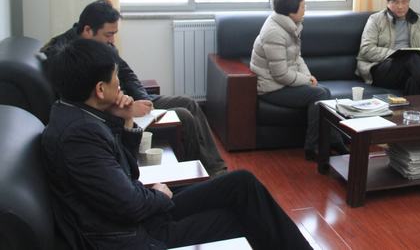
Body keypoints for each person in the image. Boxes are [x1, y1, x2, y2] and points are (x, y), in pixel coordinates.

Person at [41, 38, 312, 249]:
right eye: (116, 78)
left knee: (242, 183)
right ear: (100, 90)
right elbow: (129, 204)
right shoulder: (80, 136)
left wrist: (125, 120)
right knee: (246, 216)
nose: (121, 85)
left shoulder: (77, 113)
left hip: (138, 218)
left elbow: (125, 172)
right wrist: (159, 195)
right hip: (134, 235)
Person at [41, 0, 227, 176]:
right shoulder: (64, 56)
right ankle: (196, 177)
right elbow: (85, 103)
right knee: (184, 116)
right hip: (115, 111)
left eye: (114, 34)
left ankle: (216, 169)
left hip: (129, 100)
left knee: (189, 103)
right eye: (108, 34)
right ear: (88, 30)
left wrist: (142, 99)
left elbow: (127, 73)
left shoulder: (103, 46)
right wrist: (124, 109)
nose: (112, 40)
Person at [250, 0, 347, 160]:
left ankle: (333, 141)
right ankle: (313, 147)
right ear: (291, 11)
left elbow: (297, 57)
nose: (305, 10)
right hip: (271, 88)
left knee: (323, 92)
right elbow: (280, 74)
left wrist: (308, 78)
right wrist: (306, 80)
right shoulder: (274, 32)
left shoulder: (290, 26)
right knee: (320, 94)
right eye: (303, 6)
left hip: (283, 82)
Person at [356, 0, 420, 95]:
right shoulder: (376, 20)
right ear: (388, 2)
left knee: (413, 80)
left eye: (404, 2)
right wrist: (395, 54)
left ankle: (411, 107)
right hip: (382, 69)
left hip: (411, 68)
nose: (400, 6)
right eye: (395, 2)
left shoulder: (418, 20)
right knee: (410, 57)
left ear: (409, 2)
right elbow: (366, 49)